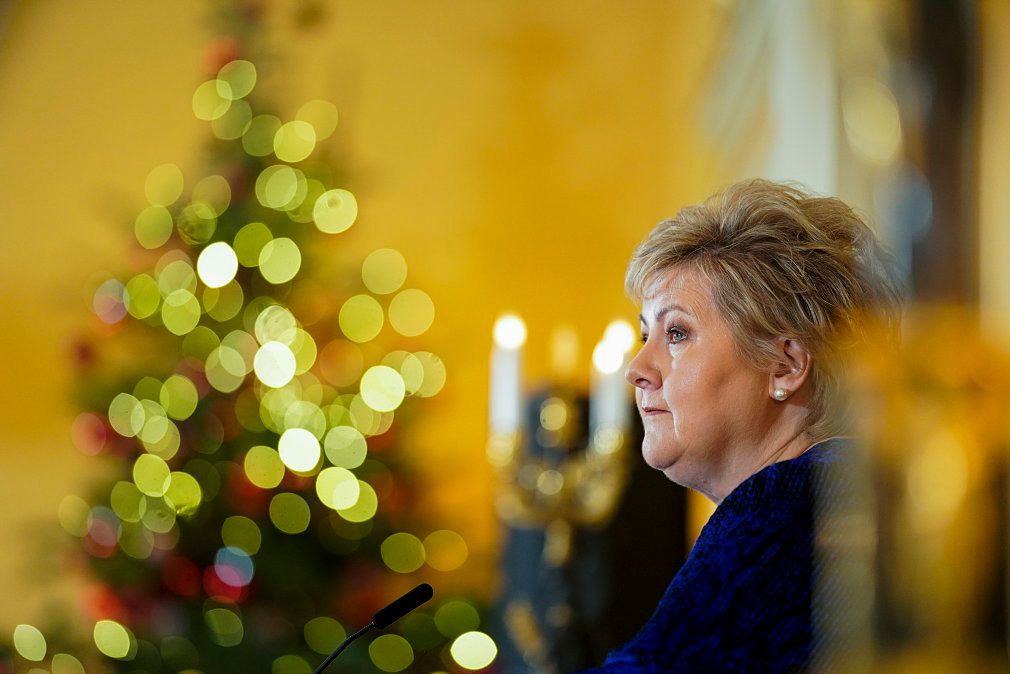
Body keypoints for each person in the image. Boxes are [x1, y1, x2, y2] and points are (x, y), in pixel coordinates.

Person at [578, 179, 903, 672]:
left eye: (677, 333)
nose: (637, 369)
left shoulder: (788, 504)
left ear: (785, 367)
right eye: (645, 335)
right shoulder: (832, 490)